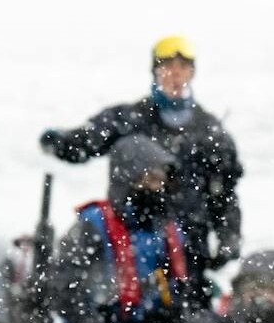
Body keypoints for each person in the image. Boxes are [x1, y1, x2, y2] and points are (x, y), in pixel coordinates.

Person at [39, 36, 244, 280]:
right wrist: (62, 143)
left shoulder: (211, 133)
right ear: (155, 72)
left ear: (192, 73)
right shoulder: (131, 118)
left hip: (189, 248)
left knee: (188, 309)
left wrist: (228, 237)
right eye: (167, 67)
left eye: (183, 68)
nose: (175, 75)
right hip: (134, 243)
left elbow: (224, 196)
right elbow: (89, 140)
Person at [50, 134, 206, 323]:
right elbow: (63, 286)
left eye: (161, 181)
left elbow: (179, 292)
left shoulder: (169, 232)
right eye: (150, 180)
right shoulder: (93, 224)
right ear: (128, 180)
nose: (157, 189)